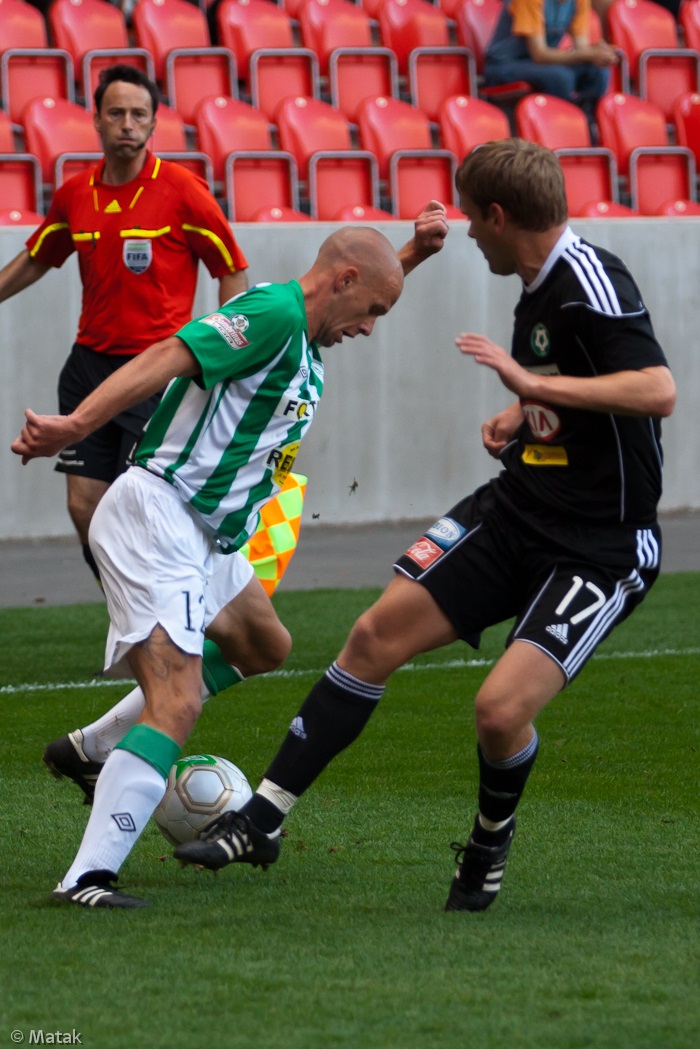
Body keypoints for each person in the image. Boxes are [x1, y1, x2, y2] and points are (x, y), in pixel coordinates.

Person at [175, 138, 676, 914]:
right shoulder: (541, 281)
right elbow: (576, 381)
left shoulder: (588, 281)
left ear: (501, 218)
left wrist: (519, 380)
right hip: (520, 508)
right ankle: (262, 816)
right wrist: (525, 409)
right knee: (373, 636)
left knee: (499, 712)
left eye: (476, 221)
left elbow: (658, 388)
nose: (472, 235)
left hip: (601, 543)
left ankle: (487, 840)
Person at [12, 208, 450, 909]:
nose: (369, 327)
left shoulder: (305, 324)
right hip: (159, 517)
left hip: (204, 533)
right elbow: (170, 354)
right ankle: (86, 878)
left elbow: (360, 276)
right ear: (340, 281)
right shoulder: (274, 313)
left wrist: (412, 254)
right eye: (371, 311)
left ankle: (92, 748)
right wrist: (76, 424)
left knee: (262, 642)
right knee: (176, 702)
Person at [0, 64, 249, 585]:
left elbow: (232, 271)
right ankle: (128, 608)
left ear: (154, 123)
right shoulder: (74, 194)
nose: (127, 124)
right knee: (85, 506)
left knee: (145, 510)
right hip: (87, 368)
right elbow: (37, 258)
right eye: (117, 113)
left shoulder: (183, 190)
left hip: (154, 374)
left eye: (139, 114)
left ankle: (176, 612)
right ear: (96, 120)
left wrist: (228, 355)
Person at [484, 0, 618, 132]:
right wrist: (590, 54)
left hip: (540, 63)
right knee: (560, 77)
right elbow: (539, 54)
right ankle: (558, 128)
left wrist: (597, 52)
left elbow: (581, 49)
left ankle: (587, 124)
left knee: (597, 70)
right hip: (504, 64)